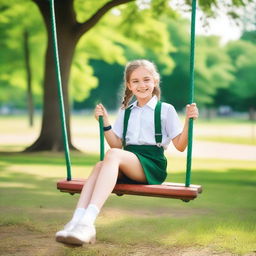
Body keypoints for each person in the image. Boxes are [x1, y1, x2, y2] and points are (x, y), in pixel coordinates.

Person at [55, 59, 199, 245]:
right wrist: (105, 122)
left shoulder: (165, 110)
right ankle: (76, 220)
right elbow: (116, 145)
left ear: (155, 81)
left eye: (146, 79)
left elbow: (180, 145)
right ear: (129, 86)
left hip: (152, 165)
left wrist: (188, 120)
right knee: (100, 165)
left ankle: (88, 222)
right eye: (136, 81)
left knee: (112, 156)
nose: (142, 85)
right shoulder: (126, 111)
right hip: (129, 162)